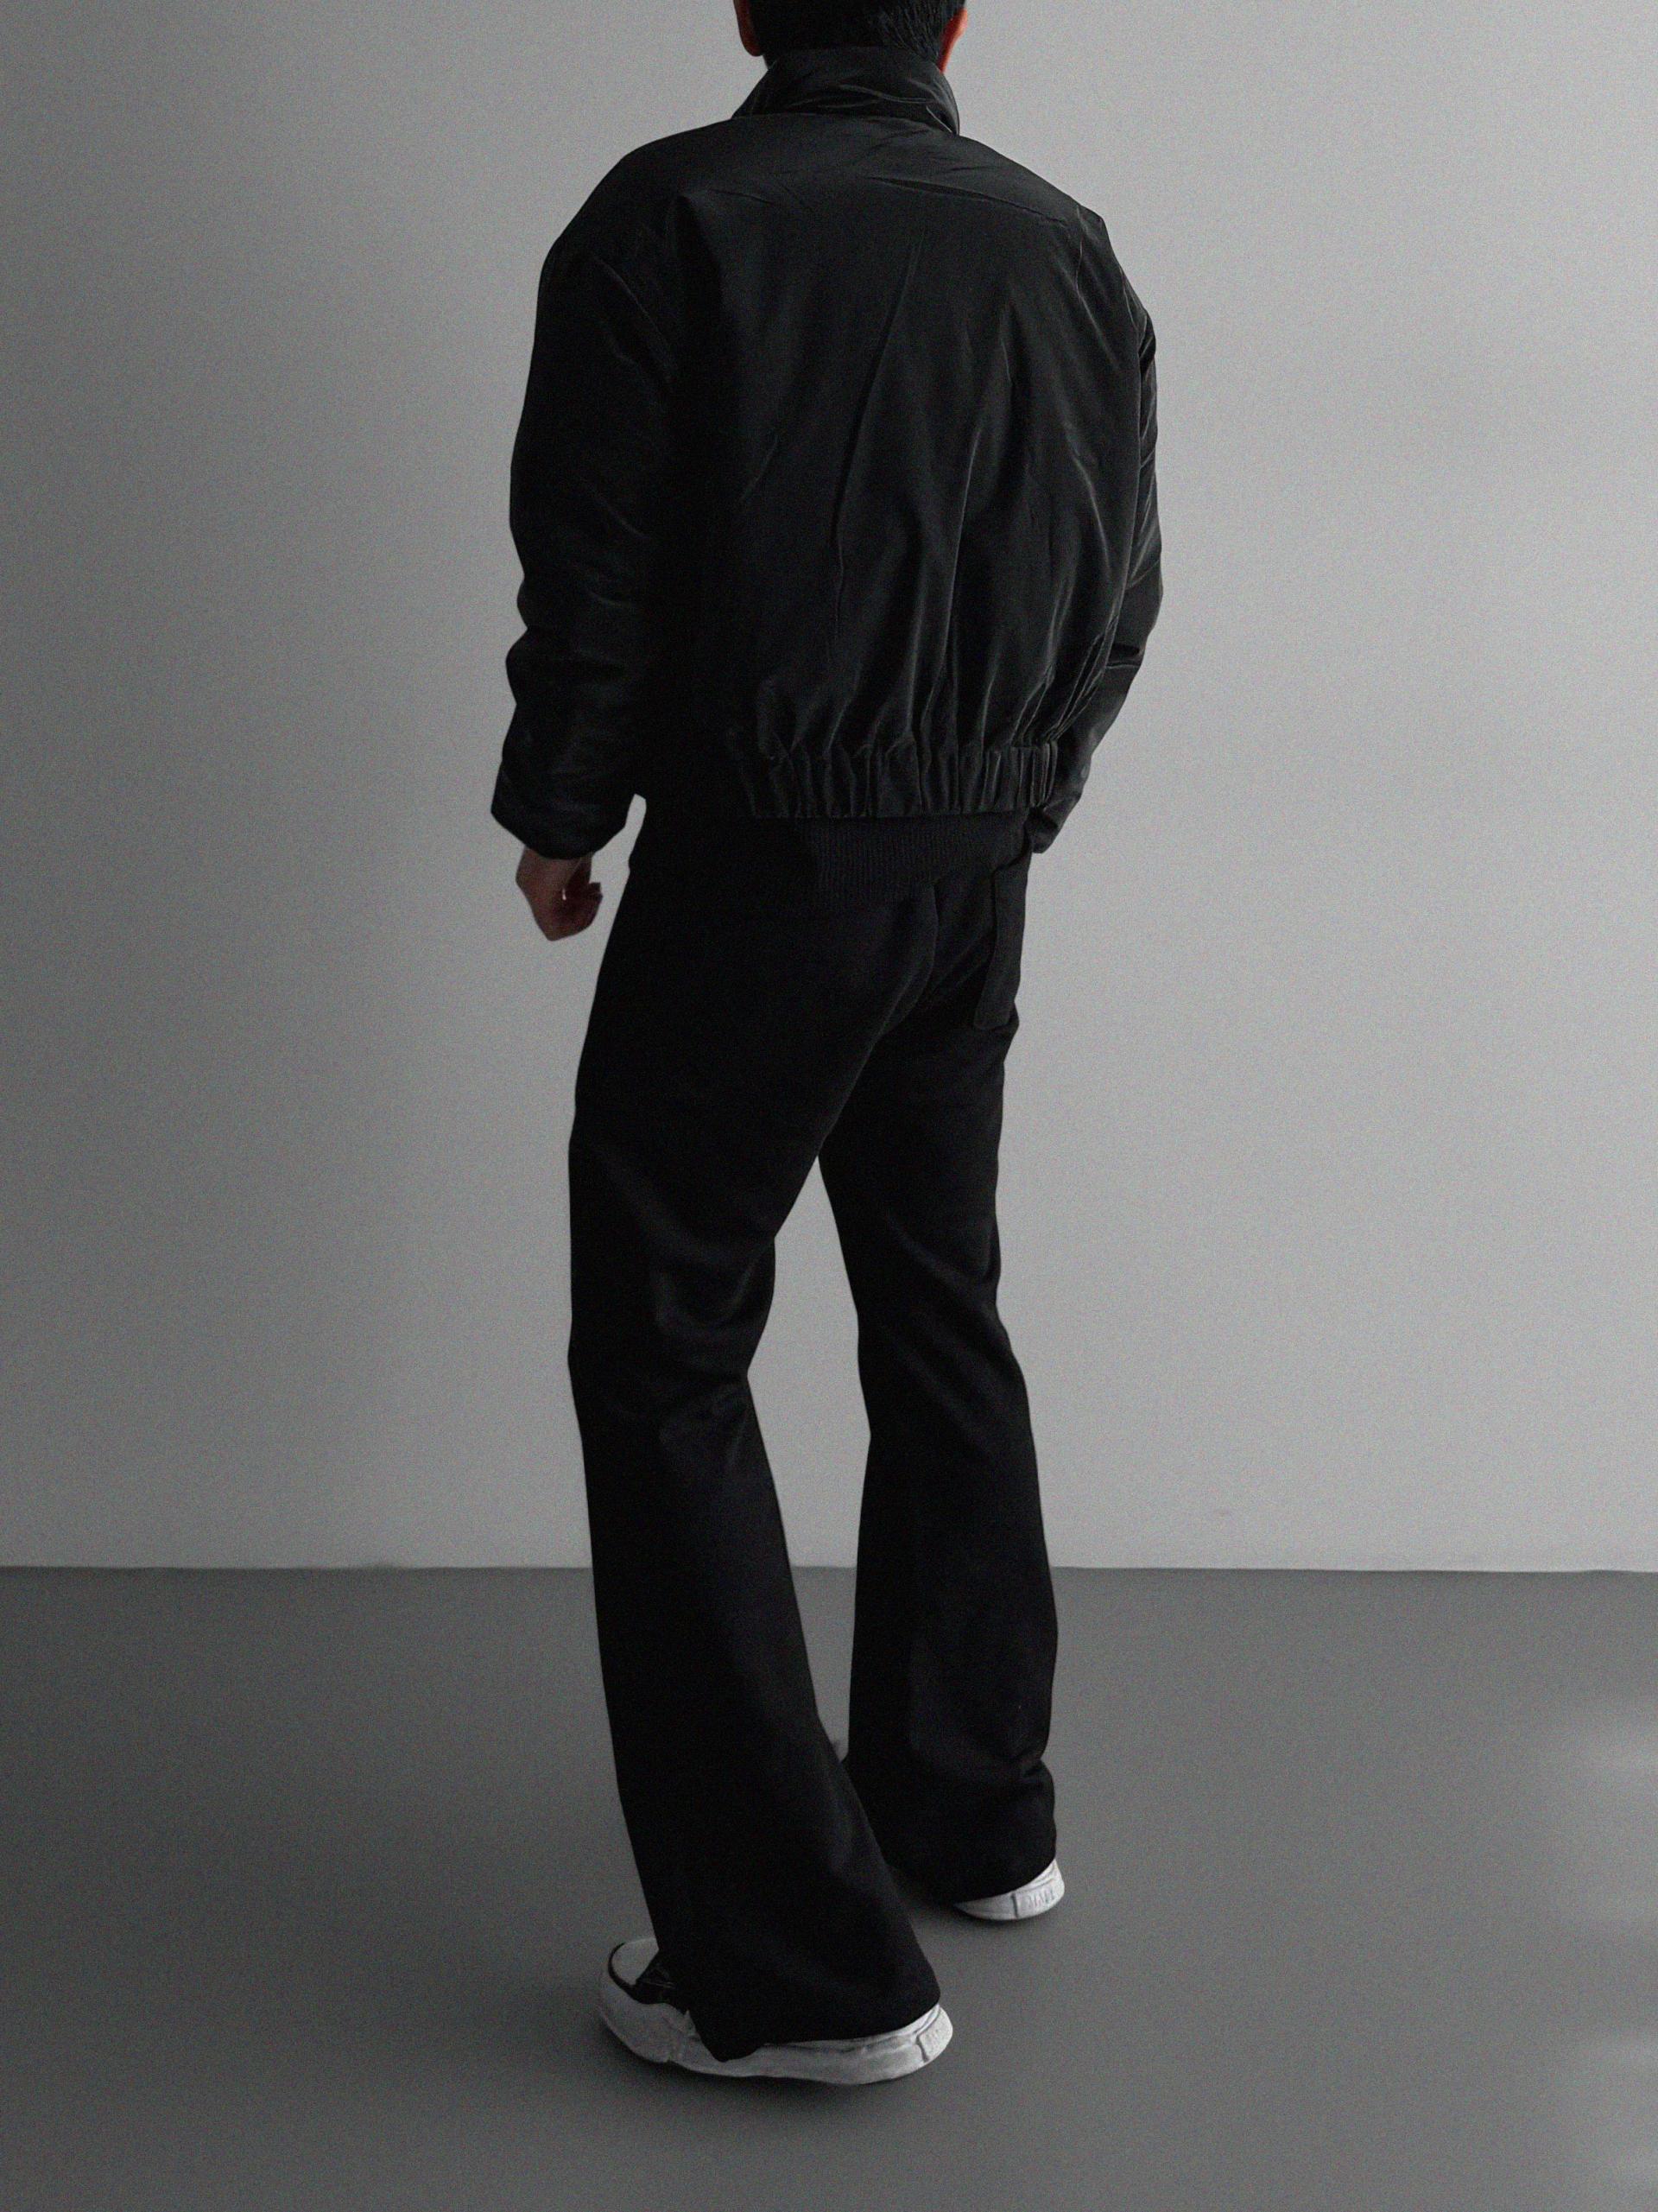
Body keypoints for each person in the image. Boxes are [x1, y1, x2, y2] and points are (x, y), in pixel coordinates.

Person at [490, 0, 1162, 2086]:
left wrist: (563, 808)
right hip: (969, 864)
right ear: (956, 17)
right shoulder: (1060, 239)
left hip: (768, 857)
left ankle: (798, 1971)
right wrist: (1019, 792)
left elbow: (597, 554)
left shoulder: (672, 214)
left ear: (751, 6)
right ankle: (973, 1810)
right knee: (936, 1292)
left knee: (665, 1344)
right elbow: (1123, 578)